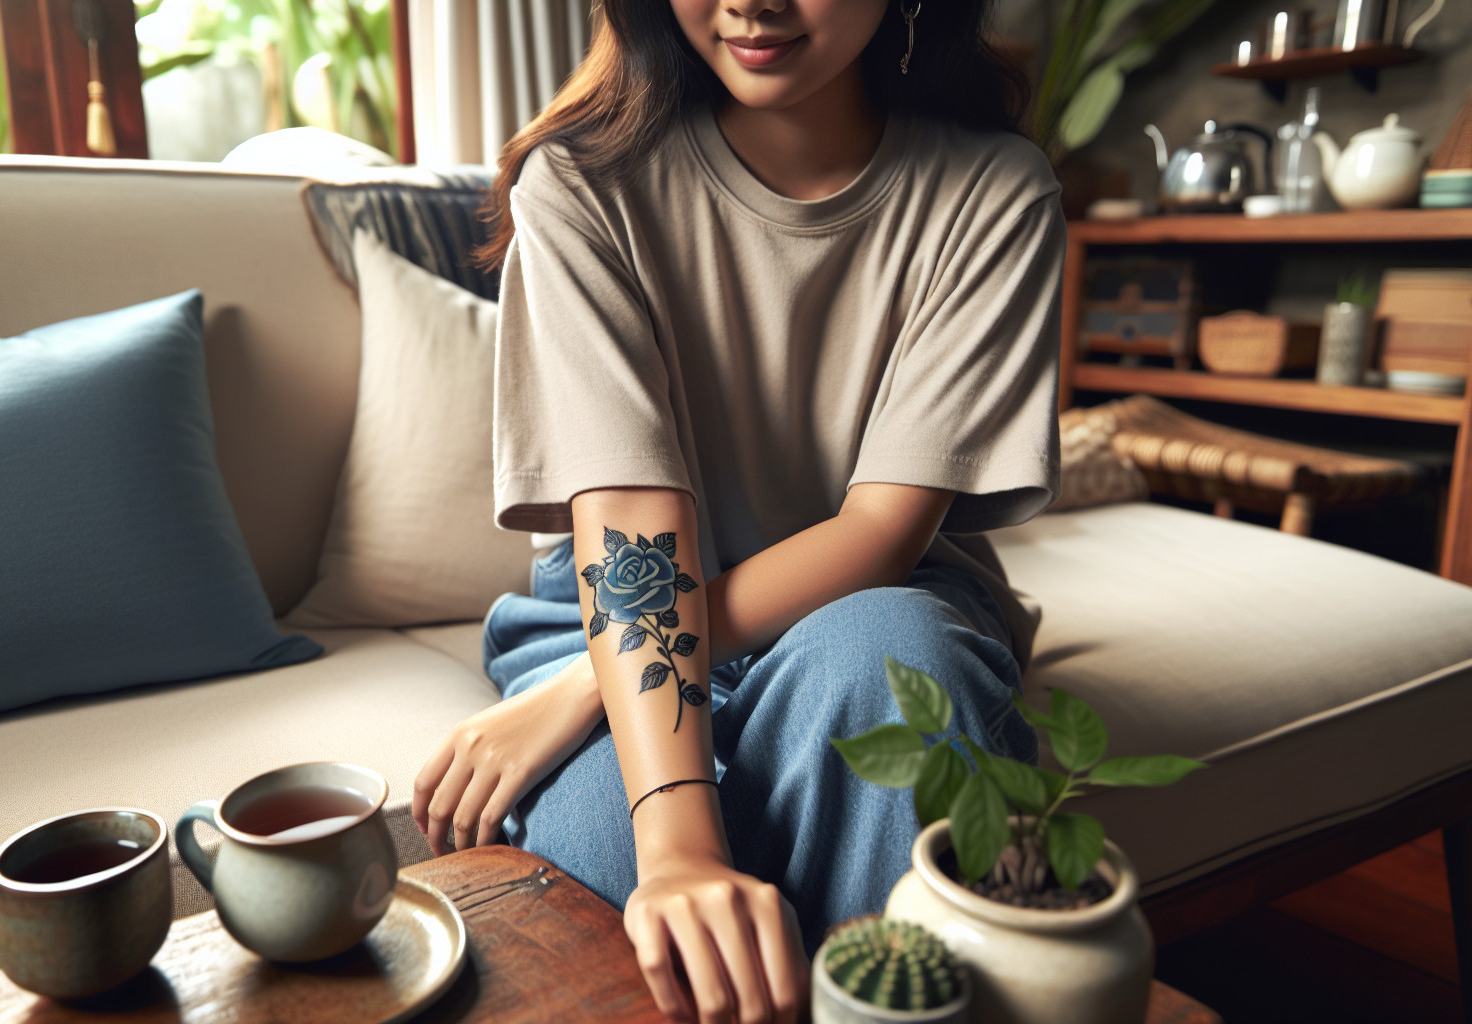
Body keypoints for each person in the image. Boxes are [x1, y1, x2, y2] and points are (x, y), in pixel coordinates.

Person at [412, 2, 1064, 1021]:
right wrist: (677, 844)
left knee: (892, 671)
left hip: (870, 599)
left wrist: (596, 677)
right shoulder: (583, 181)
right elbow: (630, 517)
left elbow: (880, 533)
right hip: (624, 608)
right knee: (620, 882)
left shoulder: (991, 193)